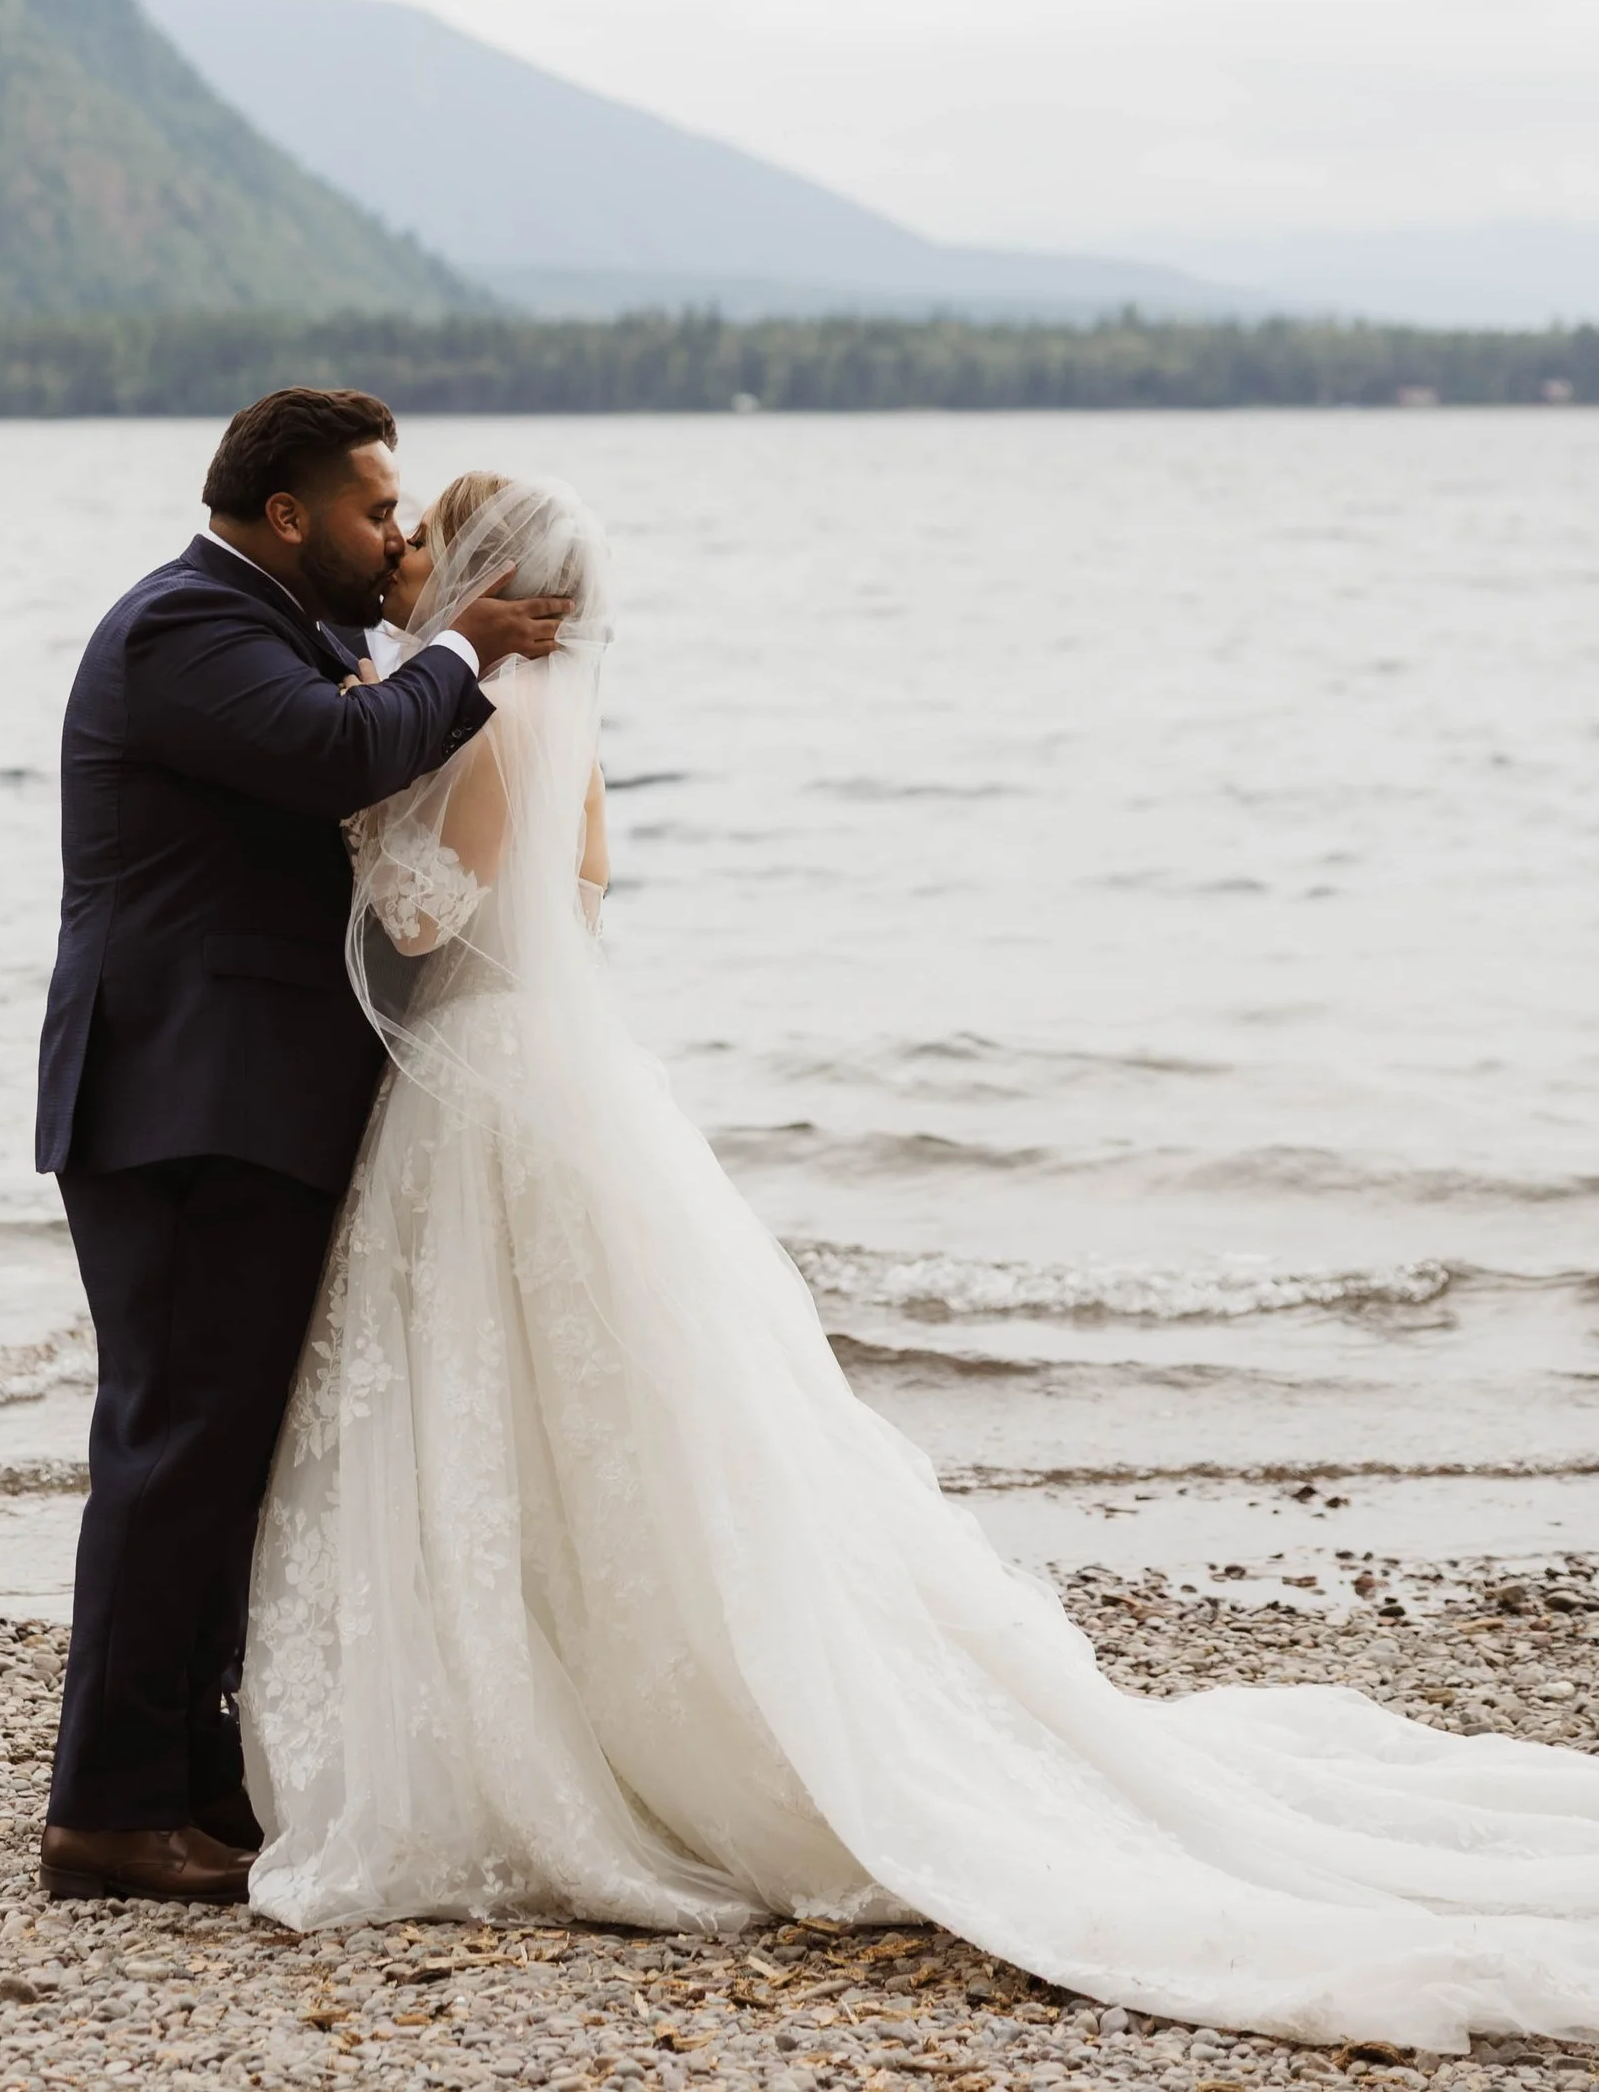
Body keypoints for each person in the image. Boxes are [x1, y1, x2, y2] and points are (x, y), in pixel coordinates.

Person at [239, 473, 1599, 2053]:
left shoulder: (477, 717)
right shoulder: (564, 713)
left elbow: (415, 917)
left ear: (482, 570)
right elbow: (581, 895)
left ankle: (578, 1724)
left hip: (488, 1089)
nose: (402, 555)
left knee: (509, 1402)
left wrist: (353, 791)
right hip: (564, 1067)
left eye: (426, 534)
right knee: (607, 1406)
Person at [34, 389, 570, 1905]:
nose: (395, 534)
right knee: (174, 1446)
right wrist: (470, 644)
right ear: (288, 514)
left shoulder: (293, 632)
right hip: (183, 1102)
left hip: (252, 1102)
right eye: (373, 509)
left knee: (225, 1455)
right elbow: (341, 756)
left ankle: (194, 1780)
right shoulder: (186, 628)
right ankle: (110, 1808)